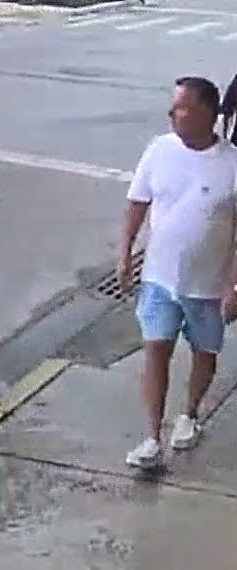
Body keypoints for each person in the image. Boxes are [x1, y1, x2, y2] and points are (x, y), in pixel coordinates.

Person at [121, 76, 237, 470]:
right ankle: (152, 436)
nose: (172, 114)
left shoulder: (231, 163)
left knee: (205, 351)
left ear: (208, 113)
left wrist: (233, 285)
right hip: (159, 278)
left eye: (182, 107)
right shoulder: (159, 149)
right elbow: (137, 202)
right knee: (156, 349)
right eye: (173, 106)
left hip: (208, 286)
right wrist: (125, 253)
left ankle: (189, 412)